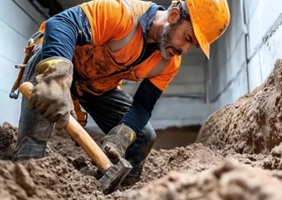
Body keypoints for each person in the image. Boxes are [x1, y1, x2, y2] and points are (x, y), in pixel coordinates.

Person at [12, 0, 230, 185]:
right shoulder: (122, 15)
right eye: (189, 38)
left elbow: (143, 106)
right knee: (45, 59)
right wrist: (56, 78)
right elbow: (60, 24)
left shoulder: (169, 63)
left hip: (95, 88)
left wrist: (122, 137)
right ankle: (28, 168)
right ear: (174, 16)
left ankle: (118, 188)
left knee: (144, 136)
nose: (184, 50)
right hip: (61, 67)